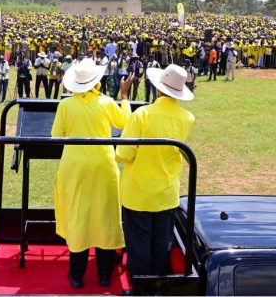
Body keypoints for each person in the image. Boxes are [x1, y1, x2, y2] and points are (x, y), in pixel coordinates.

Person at [51, 58, 133, 288]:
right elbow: (124, 121)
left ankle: (77, 275)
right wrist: (124, 97)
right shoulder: (106, 102)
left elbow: (57, 135)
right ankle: (105, 274)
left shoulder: (65, 105)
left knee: (79, 217)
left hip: (75, 169)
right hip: (103, 167)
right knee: (105, 217)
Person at [117, 64, 195, 282]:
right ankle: (159, 285)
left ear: (158, 89)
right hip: (166, 191)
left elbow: (124, 154)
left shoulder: (142, 114)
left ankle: (140, 287)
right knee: (162, 243)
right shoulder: (187, 118)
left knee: (139, 242)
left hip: (139, 192)